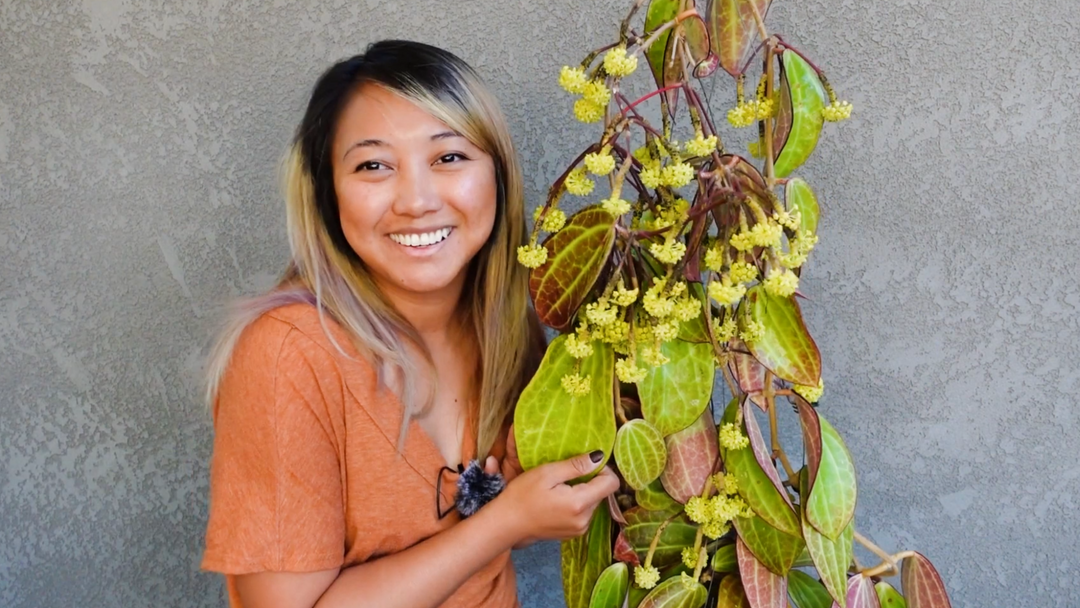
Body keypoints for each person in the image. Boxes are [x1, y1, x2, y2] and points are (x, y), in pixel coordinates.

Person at [200, 40, 621, 608]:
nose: (417, 200)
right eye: (373, 165)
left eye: (448, 157)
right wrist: (503, 523)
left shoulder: (510, 328)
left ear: (497, 174)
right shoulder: (288, 357)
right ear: (328, 195)